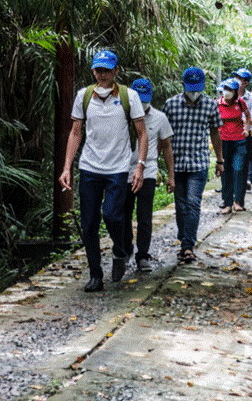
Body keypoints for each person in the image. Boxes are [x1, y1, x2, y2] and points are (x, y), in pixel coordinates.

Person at [59, 50, 149, 292]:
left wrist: (139, 166)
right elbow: (76, 132)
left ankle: (120, 251)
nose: (102, 74)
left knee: (112, 215)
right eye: (98, 70)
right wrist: (67, 167)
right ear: (93, 71)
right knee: (88, 223)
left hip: (118, 169)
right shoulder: (84, 96)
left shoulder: (130, 97)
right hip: (89, 167)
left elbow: (142, 133)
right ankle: (96, 274)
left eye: (107, 70)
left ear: (116, 71)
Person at [162, 67, 224, 263]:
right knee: (180, 205)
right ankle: (185, 236)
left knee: (193, 203)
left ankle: (187, 245)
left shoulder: (210, 105)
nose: (194, 92)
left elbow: (215, 132)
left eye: (197, 88)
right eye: (191, 88)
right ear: (183, 85)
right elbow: (164, 137)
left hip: (199, 162)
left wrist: (220, 160)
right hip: (177, 163)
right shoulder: (171, 105)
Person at [123, 78, 175, 273]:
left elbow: (167, 147)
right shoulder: (122, 114)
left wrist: (171, 175)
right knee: (123, 213)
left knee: (144, 215)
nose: (142, 104)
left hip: (148, 171)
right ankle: (126, 247)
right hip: (123, 170)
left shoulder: (160, 117)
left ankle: (142, 255)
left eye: (145, 100)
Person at [218, 78, 251, 213]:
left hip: (239, 140)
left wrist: (246, 129)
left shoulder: (240, 103)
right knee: (225, 172)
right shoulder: (218, 104)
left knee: (238, 169)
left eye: (230, 90)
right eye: (225, 89)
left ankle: (238, 200)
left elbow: (248, 116)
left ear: (235, 92)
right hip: (224, 141)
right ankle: (227, 203)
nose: (227, 92)